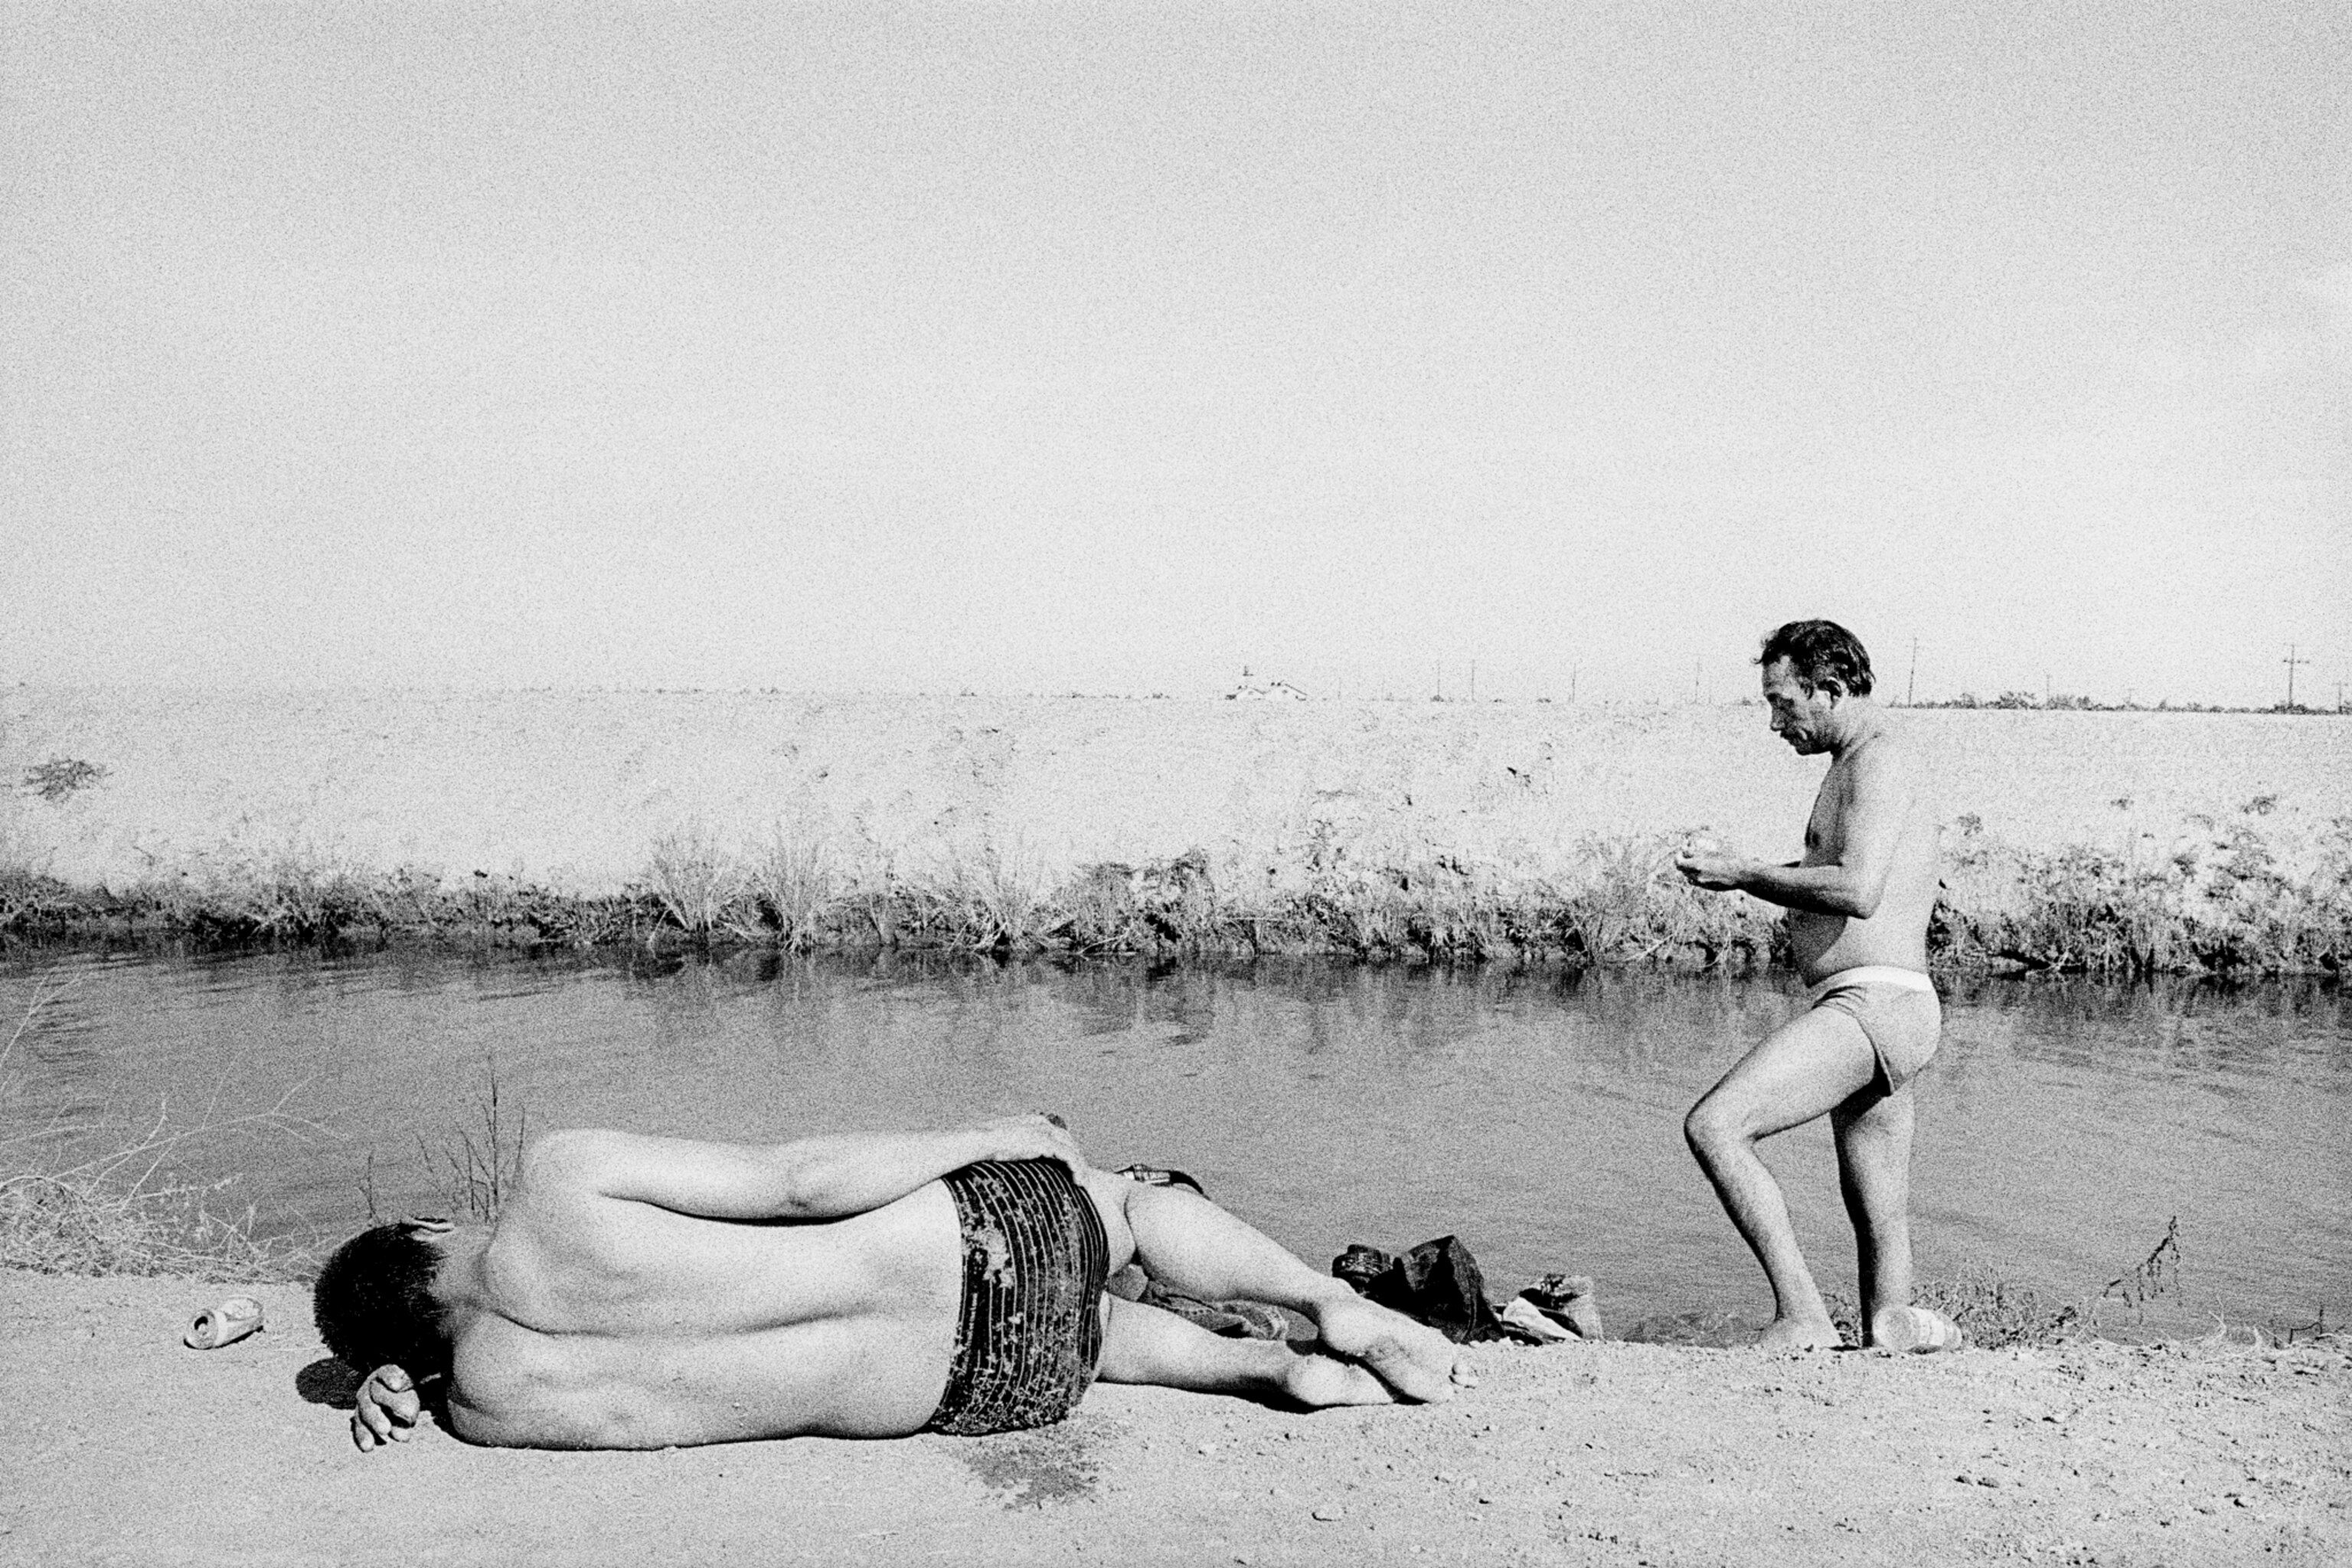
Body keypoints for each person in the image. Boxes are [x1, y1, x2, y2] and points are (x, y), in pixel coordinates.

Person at [319, 1113, 1469, 1452]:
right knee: (1119, 1208)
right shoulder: (558, 1184)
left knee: (1093, 1344)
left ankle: (1262, 1368)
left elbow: (461, 1366)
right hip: (972, 1245)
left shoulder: (489, 1406)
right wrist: (995, 1132)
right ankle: (1327, 1305)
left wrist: (404, 1379)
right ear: (428, 1227)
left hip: (981, 1385)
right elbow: (805, 1183)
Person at [1674, 619, 1948, 1352]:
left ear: (1830, 690)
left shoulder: (1877, 762)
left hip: (1874, 1001)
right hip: (1888, 1006)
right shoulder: (1858, 764)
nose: (1774, 722)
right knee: (1878, 1209)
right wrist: (1741, 872)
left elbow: (1858, 890)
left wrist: (1744, 874)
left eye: (1782, 701)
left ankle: (1801, 1317)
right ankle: (1896, 1329)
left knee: (1717, 1126)